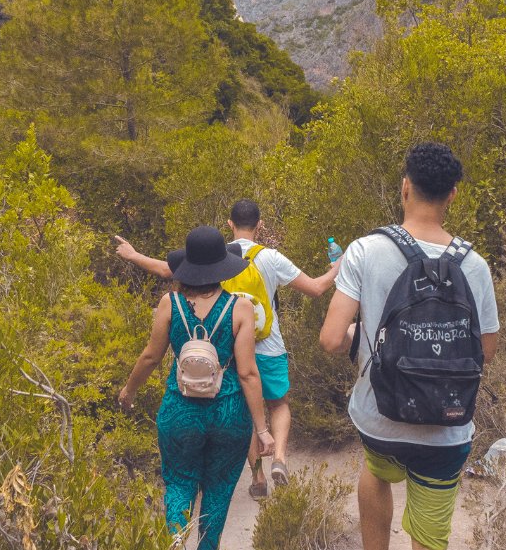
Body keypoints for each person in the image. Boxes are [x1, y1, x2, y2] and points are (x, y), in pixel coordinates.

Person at [318, 143, 499, 550]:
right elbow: (486, 351)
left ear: (405, 187)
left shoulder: (364, 251)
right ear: (453, 195)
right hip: (447, 430)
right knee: (432, 548)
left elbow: (330, 339)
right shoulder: (475, 265)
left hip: (380, 419)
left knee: (375, 472)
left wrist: (363, 335)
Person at [115, 198, 339, 498]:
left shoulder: (217, 258)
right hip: (270, 346)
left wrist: (133, 255)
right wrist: (339, 267)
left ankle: (258, 478)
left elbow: (169, 270)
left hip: (230, 351)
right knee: (279, 404)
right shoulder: (271, 258)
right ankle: (280, 458)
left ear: (230, 224)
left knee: (245, 410)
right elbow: (316, 288)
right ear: (260, 225)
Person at [117, 225, 274, 550]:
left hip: (180, 409)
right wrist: (262, 430)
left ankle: (175, 541)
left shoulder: (169, 304)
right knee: (218, 490)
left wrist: (129, 390)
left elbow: (151, 356)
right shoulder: (240, 308)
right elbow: (248, 373)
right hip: (228, 413)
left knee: (179, 481)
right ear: (222, 268)